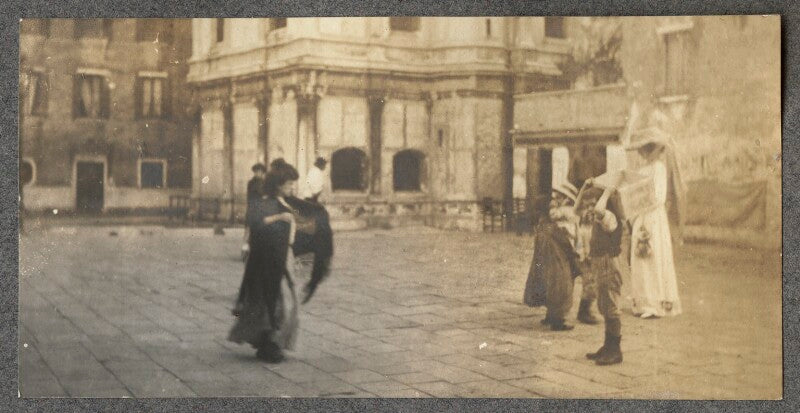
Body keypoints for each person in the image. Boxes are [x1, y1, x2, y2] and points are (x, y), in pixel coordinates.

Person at [228, 163, 301, 363]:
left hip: (282, 255)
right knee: (274, 302)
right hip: (269, 259)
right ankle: (269, 345)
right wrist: (280, 217)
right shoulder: (266, 203)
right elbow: (257, 223)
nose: (292, 187)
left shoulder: (282, 202)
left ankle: (272, 343)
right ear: (278, 185)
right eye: (289, 184)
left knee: (283, 301)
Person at [628, 130, 683, 319]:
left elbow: (659, 196)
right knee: (640, 257)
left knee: (653, 255)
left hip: (653, 216)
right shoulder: (643, 169)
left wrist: (641, 201)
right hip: (641, 215)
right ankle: (643, 302)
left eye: (645, 149)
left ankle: (655, 303)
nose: (642, 153)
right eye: (642, 150)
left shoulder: (658, 168)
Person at [522, 182, 583, 331]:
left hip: (561, 246)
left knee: (555, 279)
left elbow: (571, 229)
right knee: (560, 280)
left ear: (567, 199)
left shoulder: (567, 211)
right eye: (556, 195)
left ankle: (553, 315)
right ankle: (557, 319)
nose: (555, 198)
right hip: (556, 247)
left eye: (560, 196)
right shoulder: (557, 212)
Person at [582, 180, 625, 366]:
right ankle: (608, 345)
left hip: (609, 263)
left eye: (594, 202)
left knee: (611, 304)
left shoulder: (609, 216)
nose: (591, 207)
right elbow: (578, 208)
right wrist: (585, 187)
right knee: (605, 304)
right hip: (601, 262)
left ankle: (615, 350)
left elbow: (599, 210)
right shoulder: (600, 216)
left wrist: (607, 191)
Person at [242, 163, 267, 261]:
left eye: (259, 171)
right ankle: (244, 249)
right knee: (248, 229)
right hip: (253, 208)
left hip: (260, 209)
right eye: (256, 171)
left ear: (262, 172)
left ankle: (256, 251)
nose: (257, 173)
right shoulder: (252, 183)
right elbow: (258, 194)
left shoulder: (264, 183)